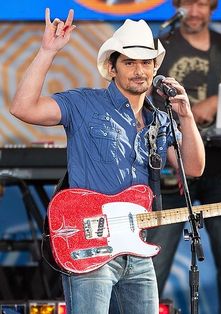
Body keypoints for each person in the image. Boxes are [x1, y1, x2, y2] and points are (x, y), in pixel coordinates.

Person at [10, 8, 205, 314]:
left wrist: (187, 116)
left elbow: (192, 169)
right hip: (89, 246)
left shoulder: (159, 119)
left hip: (137, 252)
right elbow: (23, 108)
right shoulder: (83, 103)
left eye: (146, 62)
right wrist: (47, 51)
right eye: (129, 62)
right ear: (112, 68)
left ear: (155, 68)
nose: (139, 70)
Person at [147, 0, 221, 313]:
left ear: (212, 8)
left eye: (201, 4)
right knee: (152, 265)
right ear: (177, 7)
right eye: (188, 4)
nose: (195, 11)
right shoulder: (159, 47)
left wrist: (215, 101)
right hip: (172, 162)